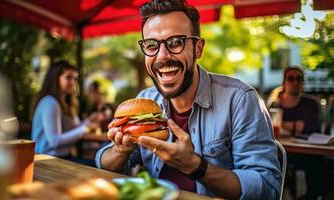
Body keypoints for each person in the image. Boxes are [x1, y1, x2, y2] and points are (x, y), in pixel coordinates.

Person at [95, 1, 281, 199]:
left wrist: (195, 166)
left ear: (198, 48)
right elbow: (103, 163)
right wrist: (120, 150)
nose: (162, 56)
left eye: (176, 42)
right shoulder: (145, 100)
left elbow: (267, 188)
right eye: (151, 45)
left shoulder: (240, 100)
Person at [268, 66, 329, 199]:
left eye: (299, 79)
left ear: (303, 82)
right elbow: (269, 128)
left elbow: (313, 129)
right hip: (280, 151)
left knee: (321, 165)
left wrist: (285, 125)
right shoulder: (275, 105)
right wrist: (297, 126)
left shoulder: (311, 103)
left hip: (306, 152)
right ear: (284, 83)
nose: (295, 82)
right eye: (291, 79)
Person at [31, 61, 98, 166]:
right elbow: (55, 141)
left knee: (100, 162)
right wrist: (85, 128)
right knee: (101, 166)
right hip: (47, 160)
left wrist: (89, 120)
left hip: (62, 158)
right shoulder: (50, 103)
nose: (73, 82)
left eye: (75, 78)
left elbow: (74, 129)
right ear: (55, 79)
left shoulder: (66, 102)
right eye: (68, 77)